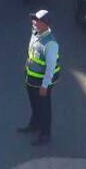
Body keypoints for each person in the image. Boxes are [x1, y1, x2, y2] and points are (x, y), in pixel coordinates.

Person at [18, 9, 60, 146]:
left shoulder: (51, 44)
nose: (34, 22)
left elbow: (50, 67)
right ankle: (34, 124)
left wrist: (45, 85)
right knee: (34, 103)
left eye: (37, 20)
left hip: (41, 81)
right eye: (34, 19)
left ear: (46, 24)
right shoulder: (36, 32)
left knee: (44, 106)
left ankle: (45, 133)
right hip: (30, 77)